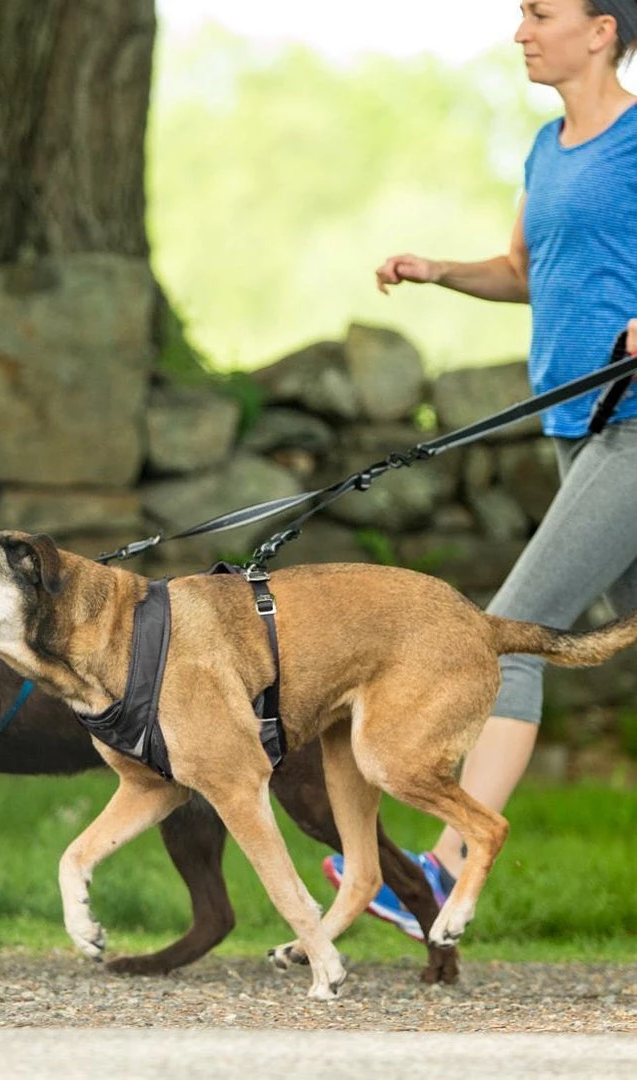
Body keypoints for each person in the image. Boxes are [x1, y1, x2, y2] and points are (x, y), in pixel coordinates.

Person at [323, 0, 637, 940]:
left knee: (509, 636)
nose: (521, 32)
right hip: (579, 427)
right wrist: (438, 270)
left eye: (541, 13)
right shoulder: (551, 147)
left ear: (603, 31)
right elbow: (527, 269)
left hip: (634, 426)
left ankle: (440, 870)